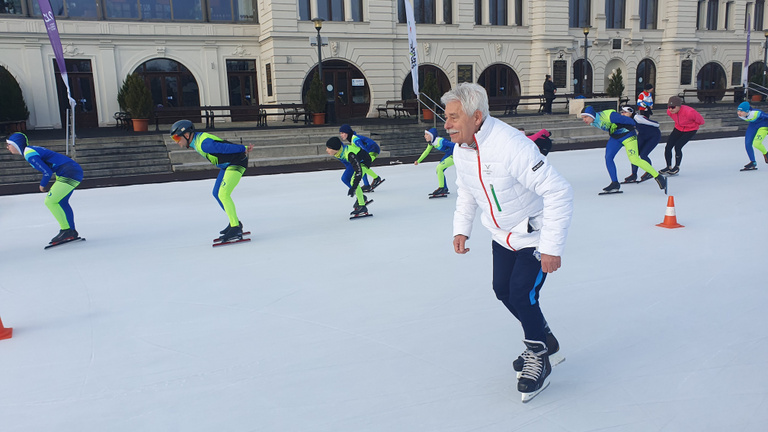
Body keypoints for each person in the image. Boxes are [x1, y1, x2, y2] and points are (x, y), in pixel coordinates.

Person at [444, 82, 573, 401]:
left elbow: (558, 191)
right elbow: (467, 190)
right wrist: (462, 228)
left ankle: (539, 354)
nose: (446, 125)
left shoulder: (509, 145)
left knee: (521, 292)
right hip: (501, 235)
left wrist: (551, 248)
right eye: (446, 117)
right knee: (503, 290)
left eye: (453, 118)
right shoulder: (462, 150)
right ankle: (544, 338)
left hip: (534, 235)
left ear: (476, 117)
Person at [170, 120, 254, 242]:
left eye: (177, 138)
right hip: (227, 164)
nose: (176, 142)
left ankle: (235, 227)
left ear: (187, 135)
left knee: (223, 194)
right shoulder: (196, 141)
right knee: (216, 193)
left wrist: (243, 148)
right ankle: (234, 222)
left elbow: (224, 147)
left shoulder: (203, 144)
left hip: (237, 162)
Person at [6, 132, 84, 244]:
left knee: (50, 201)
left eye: (9, 144)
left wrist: (42, 185)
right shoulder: (30, 150)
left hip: (68, 172)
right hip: (71, 170)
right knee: (62, 202)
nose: (7, 147)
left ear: (16, 144)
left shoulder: (29, 153)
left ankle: (66, 230)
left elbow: (47, 172)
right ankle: (71, 231)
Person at [579, 105, 667, 194]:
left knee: (634, 159)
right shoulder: (593, 122)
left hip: (628, 136)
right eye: (583, 118)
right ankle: (615, 183)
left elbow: (631, 121)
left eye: (586, 117)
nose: (584, 120)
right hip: (615, 137)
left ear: (592, 115)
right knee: (608, 157)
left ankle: (658, 176)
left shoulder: (609, 115)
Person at [326, 136, 372, 217]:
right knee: (345, 178)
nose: (327, 150)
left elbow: (358, 171)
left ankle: (362, 206)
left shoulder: (349, 153)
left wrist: (353, 187)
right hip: (352, 162)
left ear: (335, 149)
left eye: (329, 148)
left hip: (363, 162)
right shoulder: (338, 151)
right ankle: (361, 196)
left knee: (353, 181)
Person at [662, 96, 705, 175]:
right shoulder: (669, 112)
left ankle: (677, 167)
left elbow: (701, 121)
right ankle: (668, 166)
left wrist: (691, 125)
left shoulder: (689, 112)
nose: (671, 109)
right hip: (678, 128)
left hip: (690, 130)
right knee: (668, 146)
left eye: (673, 107)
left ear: (679, 106)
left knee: (678, 146)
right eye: (669, 107)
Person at [339, 124, 384, 192]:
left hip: (373, 150)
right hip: (371, 150)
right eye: (340, 133)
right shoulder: (352, 139)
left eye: (342, 133)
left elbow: (364, 150)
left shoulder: (355, 139)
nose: (341, 135)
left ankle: (373, 180)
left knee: (362, 166)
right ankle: (370, 182)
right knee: (361, 166)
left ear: (347, 133)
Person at [622, 107, 662, 183]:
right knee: (634, 154)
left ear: (631, 112)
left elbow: (656, 124)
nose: (622, 114)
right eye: (622, 112)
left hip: (653, 136)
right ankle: (634, 174)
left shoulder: (638, 118)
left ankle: (649, 172)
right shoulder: (628, 120)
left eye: (624, 112)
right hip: (642, 135)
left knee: (643, 155)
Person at [414, 127, 455, 197]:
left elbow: (454, 145)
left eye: (426, 134)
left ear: (431, 135)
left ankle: (441, 188)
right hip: (448, 154)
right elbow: (426, 152)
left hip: (454, 155)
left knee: (440, 168)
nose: (425, 136)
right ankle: (444, 188)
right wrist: (418, 161)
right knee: (439, 170)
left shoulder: (440, 141)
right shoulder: (431, 143)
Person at [736, 101, 768, 171]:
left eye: (741, 111)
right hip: (753, 125)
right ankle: (753, 162)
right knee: (747, 143)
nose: (739, 113)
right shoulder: (741, 115)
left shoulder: (756, 113)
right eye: (738, 111)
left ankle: (766, 154)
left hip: (763, 125)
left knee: (756, 143)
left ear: (747, 111)